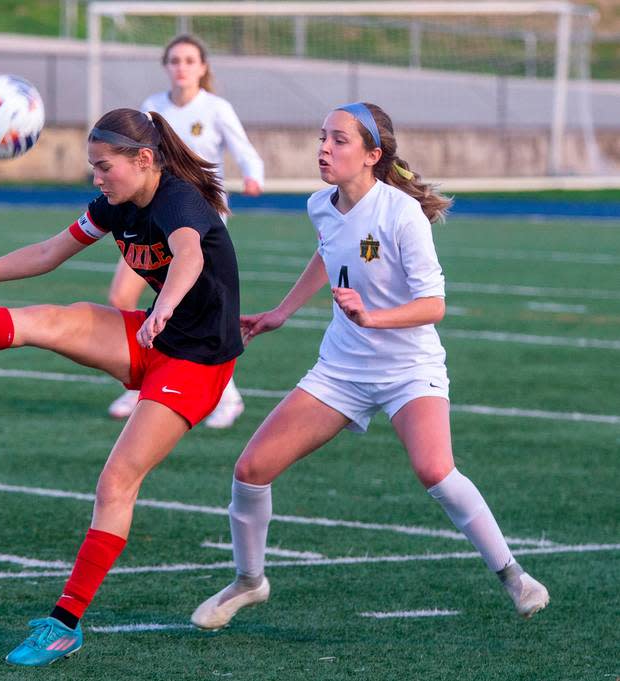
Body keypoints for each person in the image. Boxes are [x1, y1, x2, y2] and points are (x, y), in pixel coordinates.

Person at [0, 107, 244, 666]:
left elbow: (189, 255)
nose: (96, 178)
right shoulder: (115, 205)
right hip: (154, 338)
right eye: (93, 167)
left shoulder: (177, 199)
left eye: (104, 167)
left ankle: (65, 622)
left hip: (197, 365)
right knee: (52, 319)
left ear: (144, 161)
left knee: (116, 482)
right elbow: (49, 253)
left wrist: (164, 305)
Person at [189, 102, 549, 632]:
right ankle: (249, 582)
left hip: (409, 367)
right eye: (322, 138)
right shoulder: (320, 204)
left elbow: (434, 305)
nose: (324, 149)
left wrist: (372, 317)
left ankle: (514, 574)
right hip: (342, 368)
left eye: (338, 140)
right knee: (251, 469)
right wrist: (281, 312)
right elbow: (327, 252)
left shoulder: (401, 213)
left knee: (435, 470)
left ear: (372, 156)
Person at [107, 34, 265, 429]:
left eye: (189, 60)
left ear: (202, 67)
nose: (182, 67)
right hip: (151, 221)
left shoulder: (215, 108)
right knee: (122, 295)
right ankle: (137, 380)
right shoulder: (152, 108)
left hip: (198, 225)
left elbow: (243, 148)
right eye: (175, 60)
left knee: (196, 313)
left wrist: (252, 175)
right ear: (166, 66)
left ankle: (228, 395)